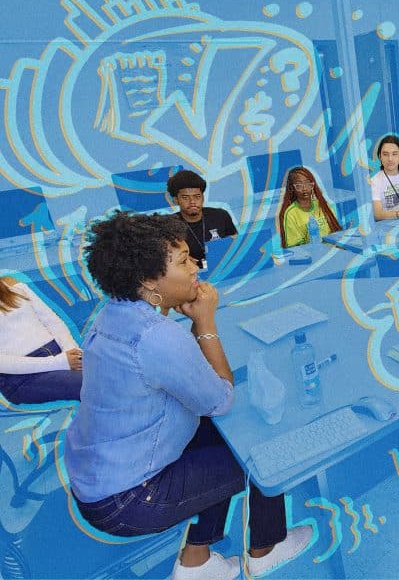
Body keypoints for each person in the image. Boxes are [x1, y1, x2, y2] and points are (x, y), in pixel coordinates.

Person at [64, 211, 311, 580]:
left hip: (97, 480)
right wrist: (205, 322)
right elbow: (221, 398)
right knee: (263, 441)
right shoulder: (157, 337)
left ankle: (196, 561)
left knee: (217, 432)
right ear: (149, 280)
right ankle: (266, 548)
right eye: (183, 261)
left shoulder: (112, 315)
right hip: (130, 500)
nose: (196, 265)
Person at [0, 277, 82, 404]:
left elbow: (51, 320)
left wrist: (71, 351)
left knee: (110, 368)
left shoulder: (10, 283)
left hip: (60, 355)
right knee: (94, 382)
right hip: (23, 377)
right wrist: (59, 362)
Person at [167, 170, 237, 268]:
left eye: (197, 197)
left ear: (203, 198)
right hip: (191, 274)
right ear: (176, 200)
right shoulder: (168, 225)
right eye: (185, 198)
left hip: (223, 269)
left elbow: (235, 242)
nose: (192, 202)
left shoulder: (221, 215)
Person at [277, 166, 342, 248]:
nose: (305, 188)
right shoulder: (291, 213)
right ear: (292, 188)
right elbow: (296, 247)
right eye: (299, 185)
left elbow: (335, 234)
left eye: (308, 183)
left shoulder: (323, 205)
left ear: (312, 185)